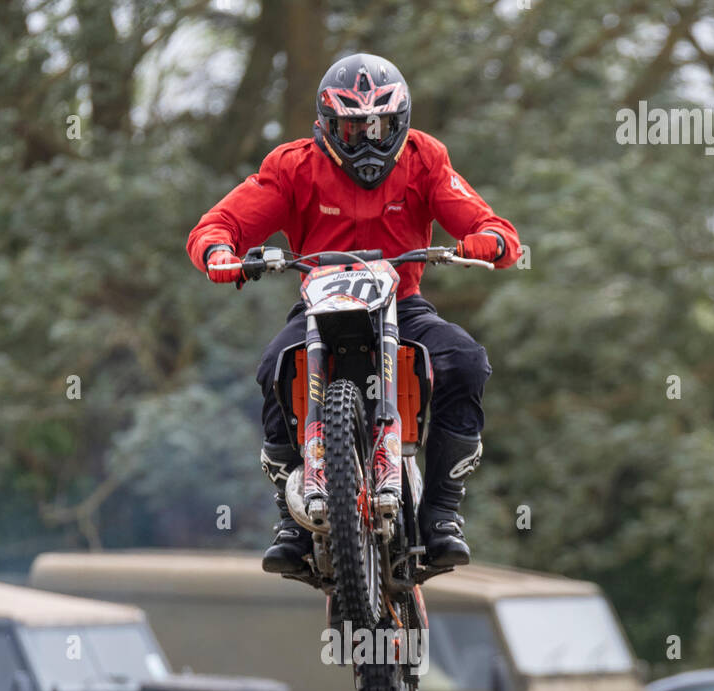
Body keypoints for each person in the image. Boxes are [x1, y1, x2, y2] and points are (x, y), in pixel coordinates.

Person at [187, 52, 520, 575]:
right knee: (275, 367)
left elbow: (487, 222)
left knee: (466, 360)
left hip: (401, 305)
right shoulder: (292, 166)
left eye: (380, 124)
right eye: (351, 127)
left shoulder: (426, 159)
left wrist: (491, 240)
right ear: (325, 126)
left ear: (401, 122)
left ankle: (441, 514)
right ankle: (293, 522)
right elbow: (221, 222)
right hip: (321, 308)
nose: (367, 139)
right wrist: (218, 252)